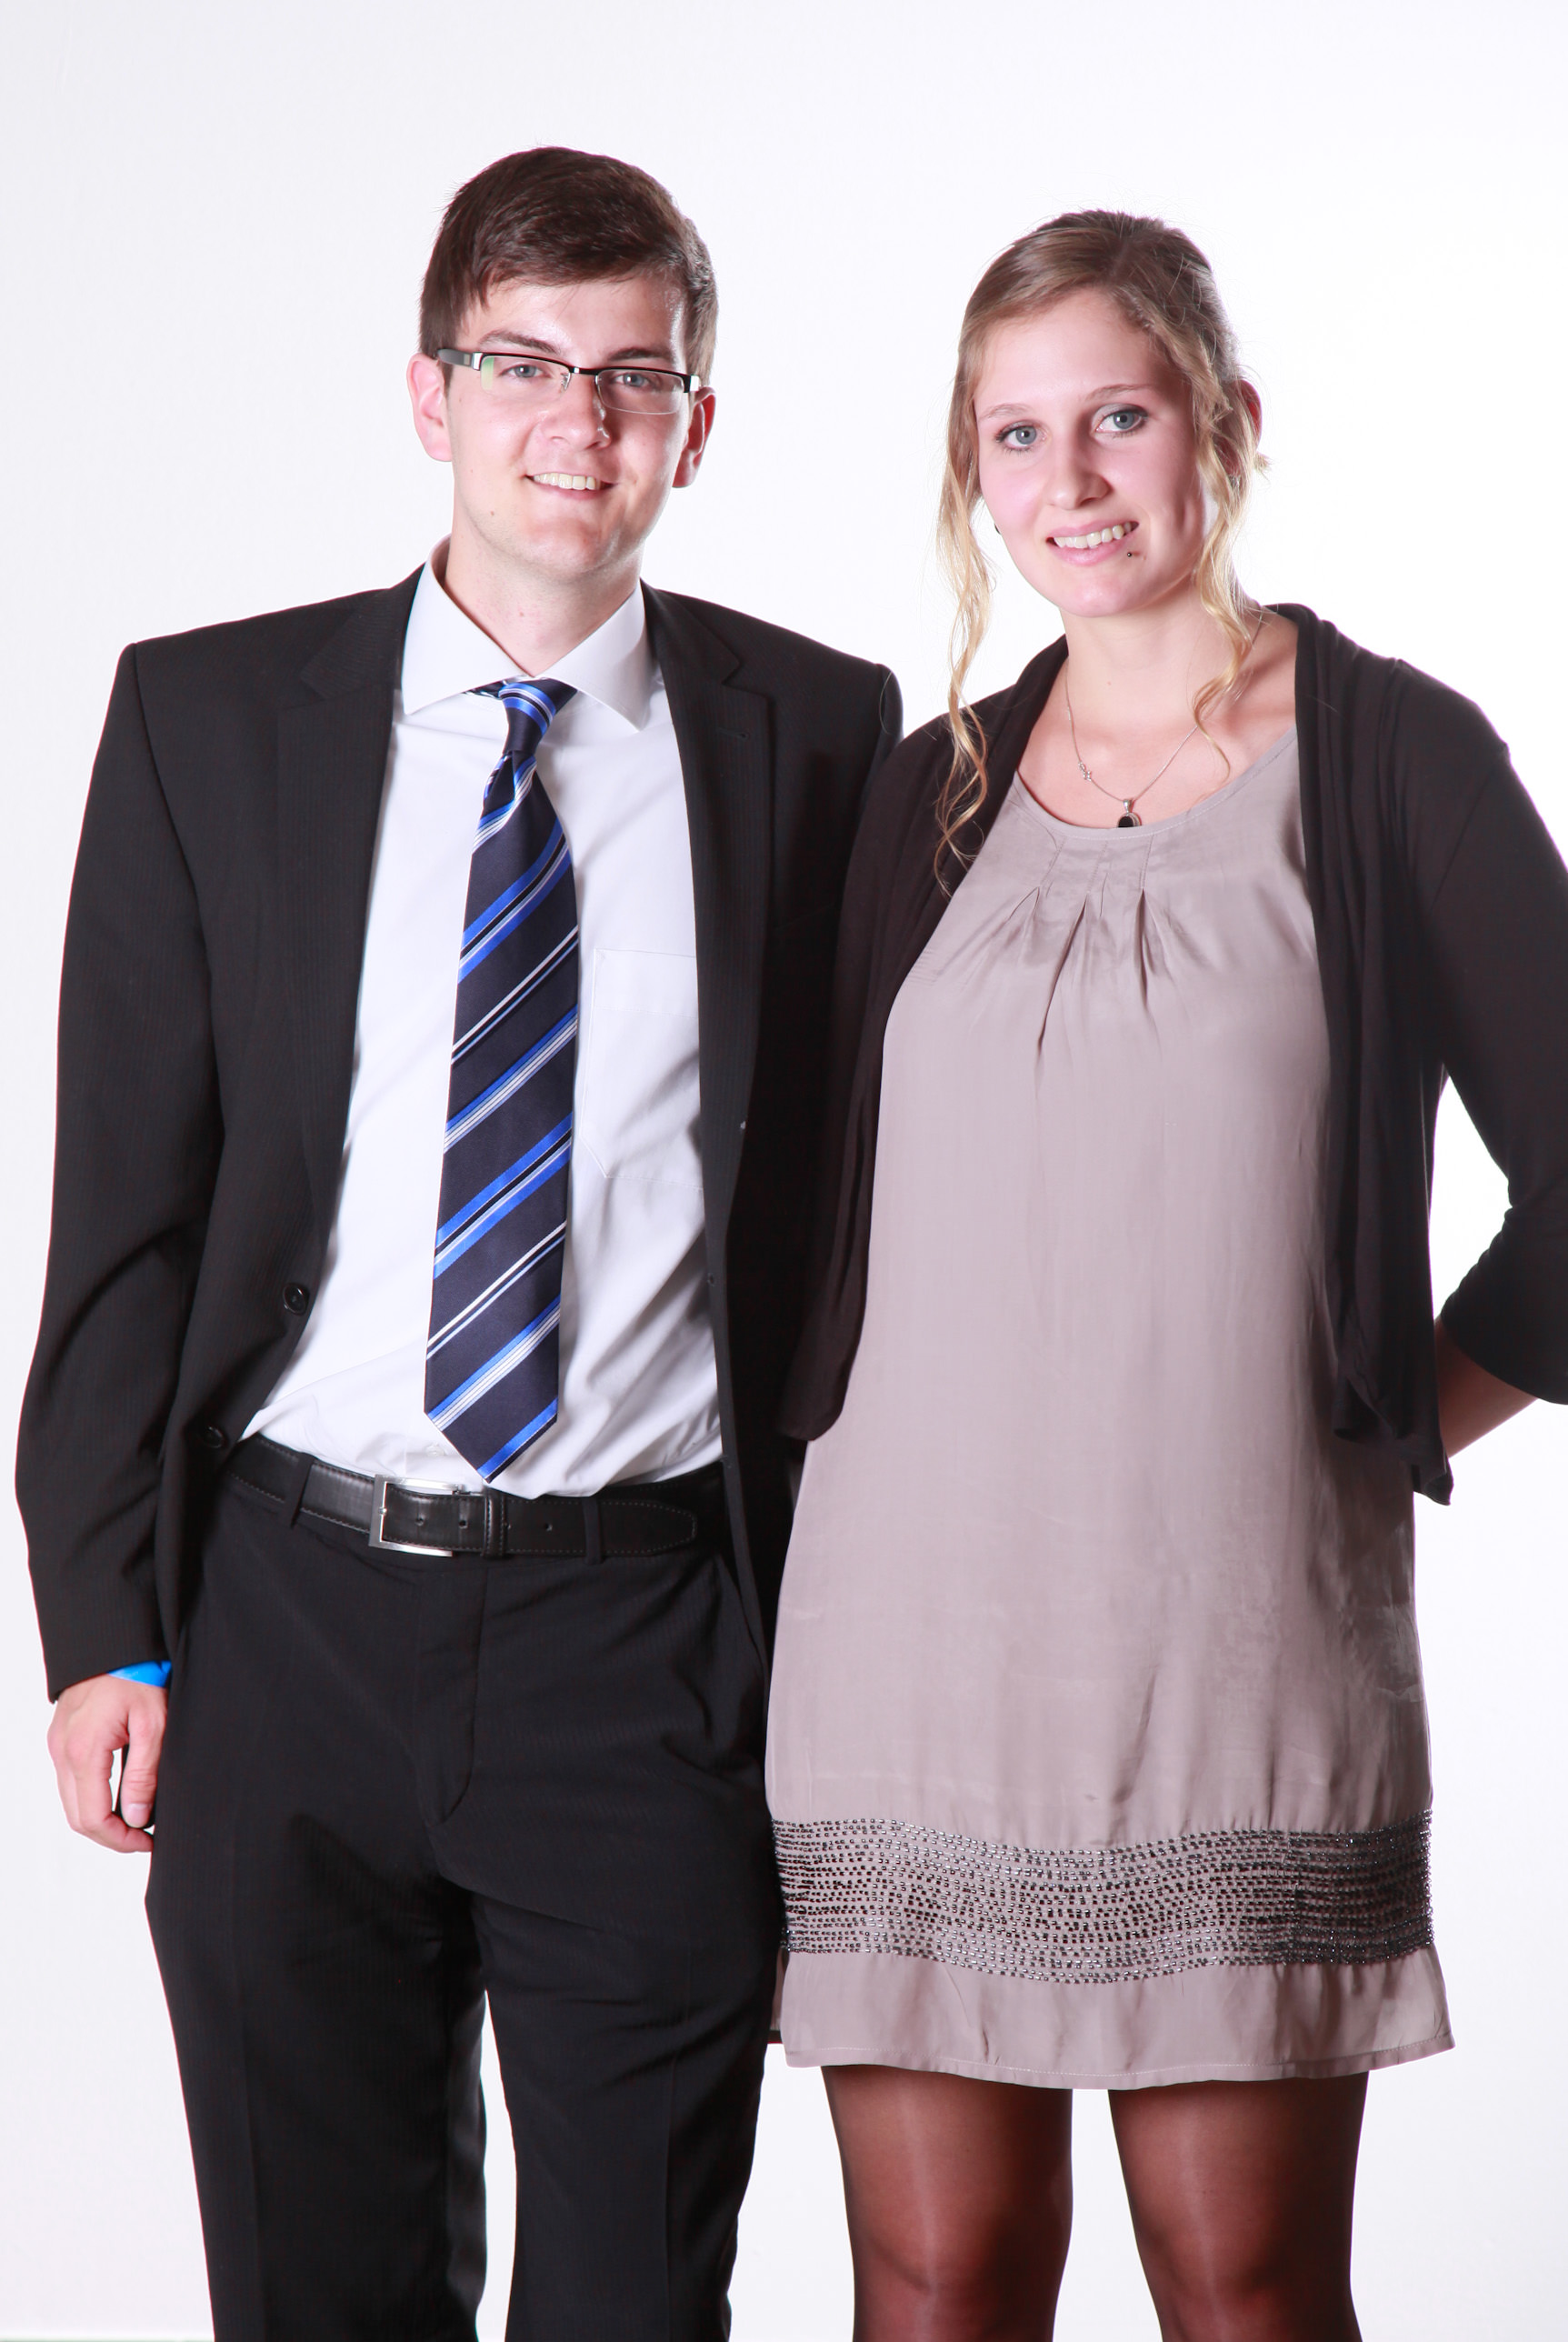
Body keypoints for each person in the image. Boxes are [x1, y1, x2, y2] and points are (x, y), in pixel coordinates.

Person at [19, 145, 899, 2340]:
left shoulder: (817, 737)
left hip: (649, 1645)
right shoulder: (211, 722)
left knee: (633, 2303)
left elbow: (853, 1210)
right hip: (287, 1624)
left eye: (630, 376)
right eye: (520, 365)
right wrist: (105, 1625)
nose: (574, 422)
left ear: (696, 422)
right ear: (428, 395)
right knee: (315, 2298)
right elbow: (123, 1212)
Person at [765, 209, 1568, 2340]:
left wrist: (1373, 1417)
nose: (1071, 480)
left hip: (1232, 1662)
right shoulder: (917, 800)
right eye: (1012, 435)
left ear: (1223, 422)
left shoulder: (1391, 761)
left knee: (1241, 2283)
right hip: (901, 1664)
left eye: (1115, 416)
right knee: (930, 2280)